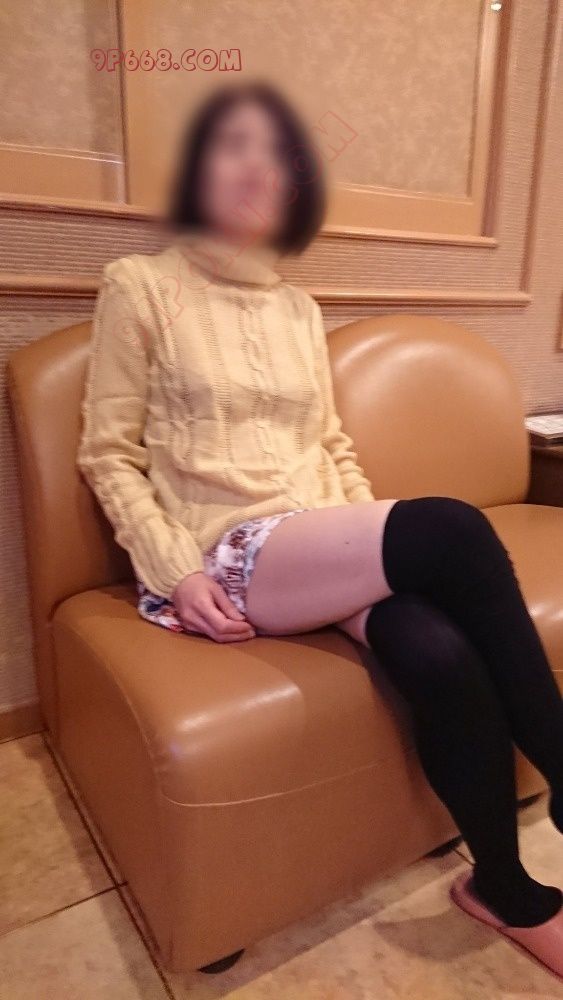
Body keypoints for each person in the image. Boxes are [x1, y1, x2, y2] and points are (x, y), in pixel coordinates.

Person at [77, 80, 563, 977]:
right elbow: (108, 456)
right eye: (233, 145)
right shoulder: (139, 287)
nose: (255, 167)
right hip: (227, 552)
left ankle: (502, 886)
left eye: (275, 154)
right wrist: (177, 571)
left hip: (310, 545)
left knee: (436, 651)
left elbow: (329, 447)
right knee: (452, 530)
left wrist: (366, 549)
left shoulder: (296, 308)